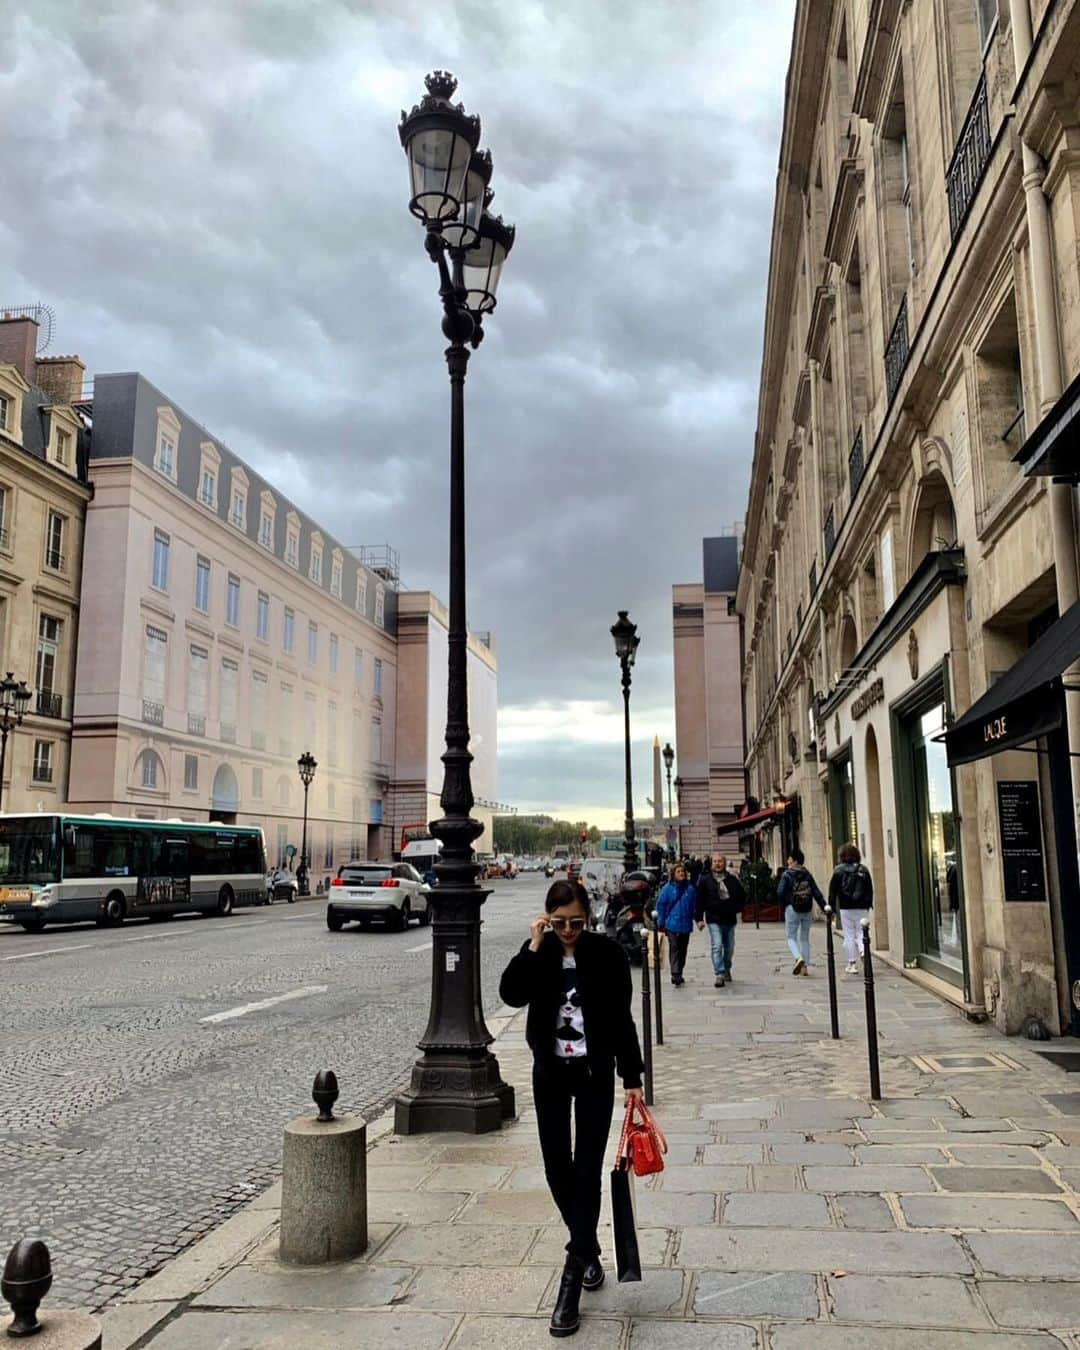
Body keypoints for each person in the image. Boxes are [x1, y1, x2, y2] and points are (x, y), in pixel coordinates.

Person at [499, 881, 643, 1338]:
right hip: (551, 1074)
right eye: (559, 923)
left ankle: (571, 1277)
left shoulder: (607, 954)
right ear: (546, 917)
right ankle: (589, 1246)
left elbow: (622, 1019)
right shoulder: (539, 952)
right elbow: (510, 995)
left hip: (595, 1073)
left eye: (576, 923)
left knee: (586, 1171)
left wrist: (633, 1079)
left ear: (589, 917)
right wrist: (533, 945)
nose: (568, 931)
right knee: (556, 1169)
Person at [695, 853, 745, 988]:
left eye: (720, 861)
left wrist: (737, 908)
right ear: (711, 864)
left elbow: (742, 895)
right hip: (713, 918)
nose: (717, 864)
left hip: (729, 918)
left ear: (724, 863)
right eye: (715, 861)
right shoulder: (705, 880)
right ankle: (719, 973)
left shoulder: (732, 880)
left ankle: (727, 967)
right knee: (717, 945)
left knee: (729, 947)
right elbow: (699, 900)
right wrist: (699, 918)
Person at [776, 848, 825, 975]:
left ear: (795, 861)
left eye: (789, 859)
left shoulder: (787, 875)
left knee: (791, 936)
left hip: (792, 908)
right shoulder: (807, 874)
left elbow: (780, 892)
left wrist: (786, 903)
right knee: (804, 938)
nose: (787, 861)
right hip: (807, 909)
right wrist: (825, 907)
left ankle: (798, 958)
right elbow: (816, 892)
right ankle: (805, 968)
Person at [828, 842, 875, 973]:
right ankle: (863, 952)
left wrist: (831, 908)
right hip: (861, 907)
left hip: (845, 907)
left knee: (848, 935)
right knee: (861, 933)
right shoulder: (863, 869)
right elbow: (869, 889)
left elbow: (833, 891)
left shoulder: (838, 870)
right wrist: (869, 903)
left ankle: (852, 964)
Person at [655, 861, 697, 987]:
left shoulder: (690, 889)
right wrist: (660, 923)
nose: (681, 874)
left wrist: (697, 919)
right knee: (674, 948)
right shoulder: (667, 889)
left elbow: (694, 906)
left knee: (683, 950)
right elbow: (661, 905)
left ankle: (680, 971)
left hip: (685, 925)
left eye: (683, 872)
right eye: (678, 872)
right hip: (671, 924)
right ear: (673, 874)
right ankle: (675, 973)